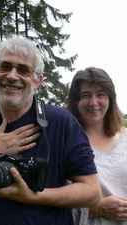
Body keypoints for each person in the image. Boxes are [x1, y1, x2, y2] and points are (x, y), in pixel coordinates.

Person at [0, 36, 101, 225]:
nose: (12, 75)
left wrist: (32, 196)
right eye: (5, 66)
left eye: (23, 70)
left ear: (37, 81)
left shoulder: (60, 121)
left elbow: (92, 193)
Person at [65, 67, 127, 225]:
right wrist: (97, 209)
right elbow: (49, 202)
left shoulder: (125, 138)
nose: (93, 103)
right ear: (75, 101)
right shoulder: (64, 143)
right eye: (86, 95)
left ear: (110, 99)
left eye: (100, 94)